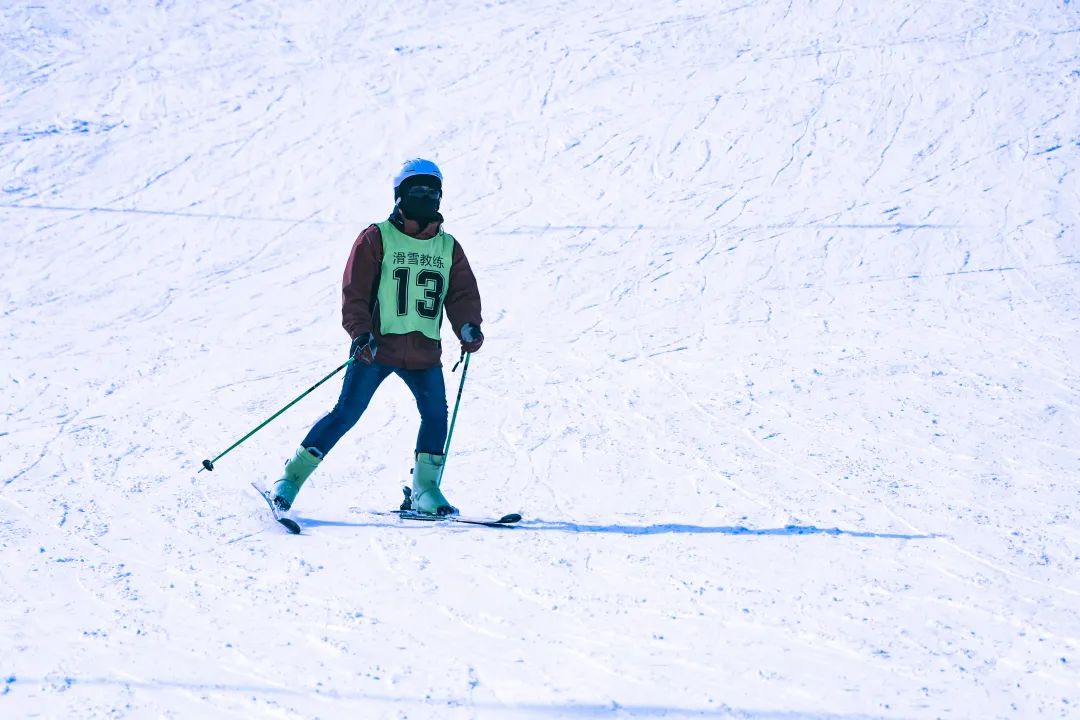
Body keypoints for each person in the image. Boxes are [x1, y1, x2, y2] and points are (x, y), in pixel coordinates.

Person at [269, 158, 484, 516]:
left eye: (432, 192)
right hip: (377, 348)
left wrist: (468, 326)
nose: (425, 197)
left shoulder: (448, 248)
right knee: (347, 413)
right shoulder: (376, 237)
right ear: (399, 195)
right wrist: (360, 333)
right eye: (416, 190)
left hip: (423, 351)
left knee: (435, 416)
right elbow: (355, 292)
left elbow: (461, 294)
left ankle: (425, 491)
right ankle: (290, 479)